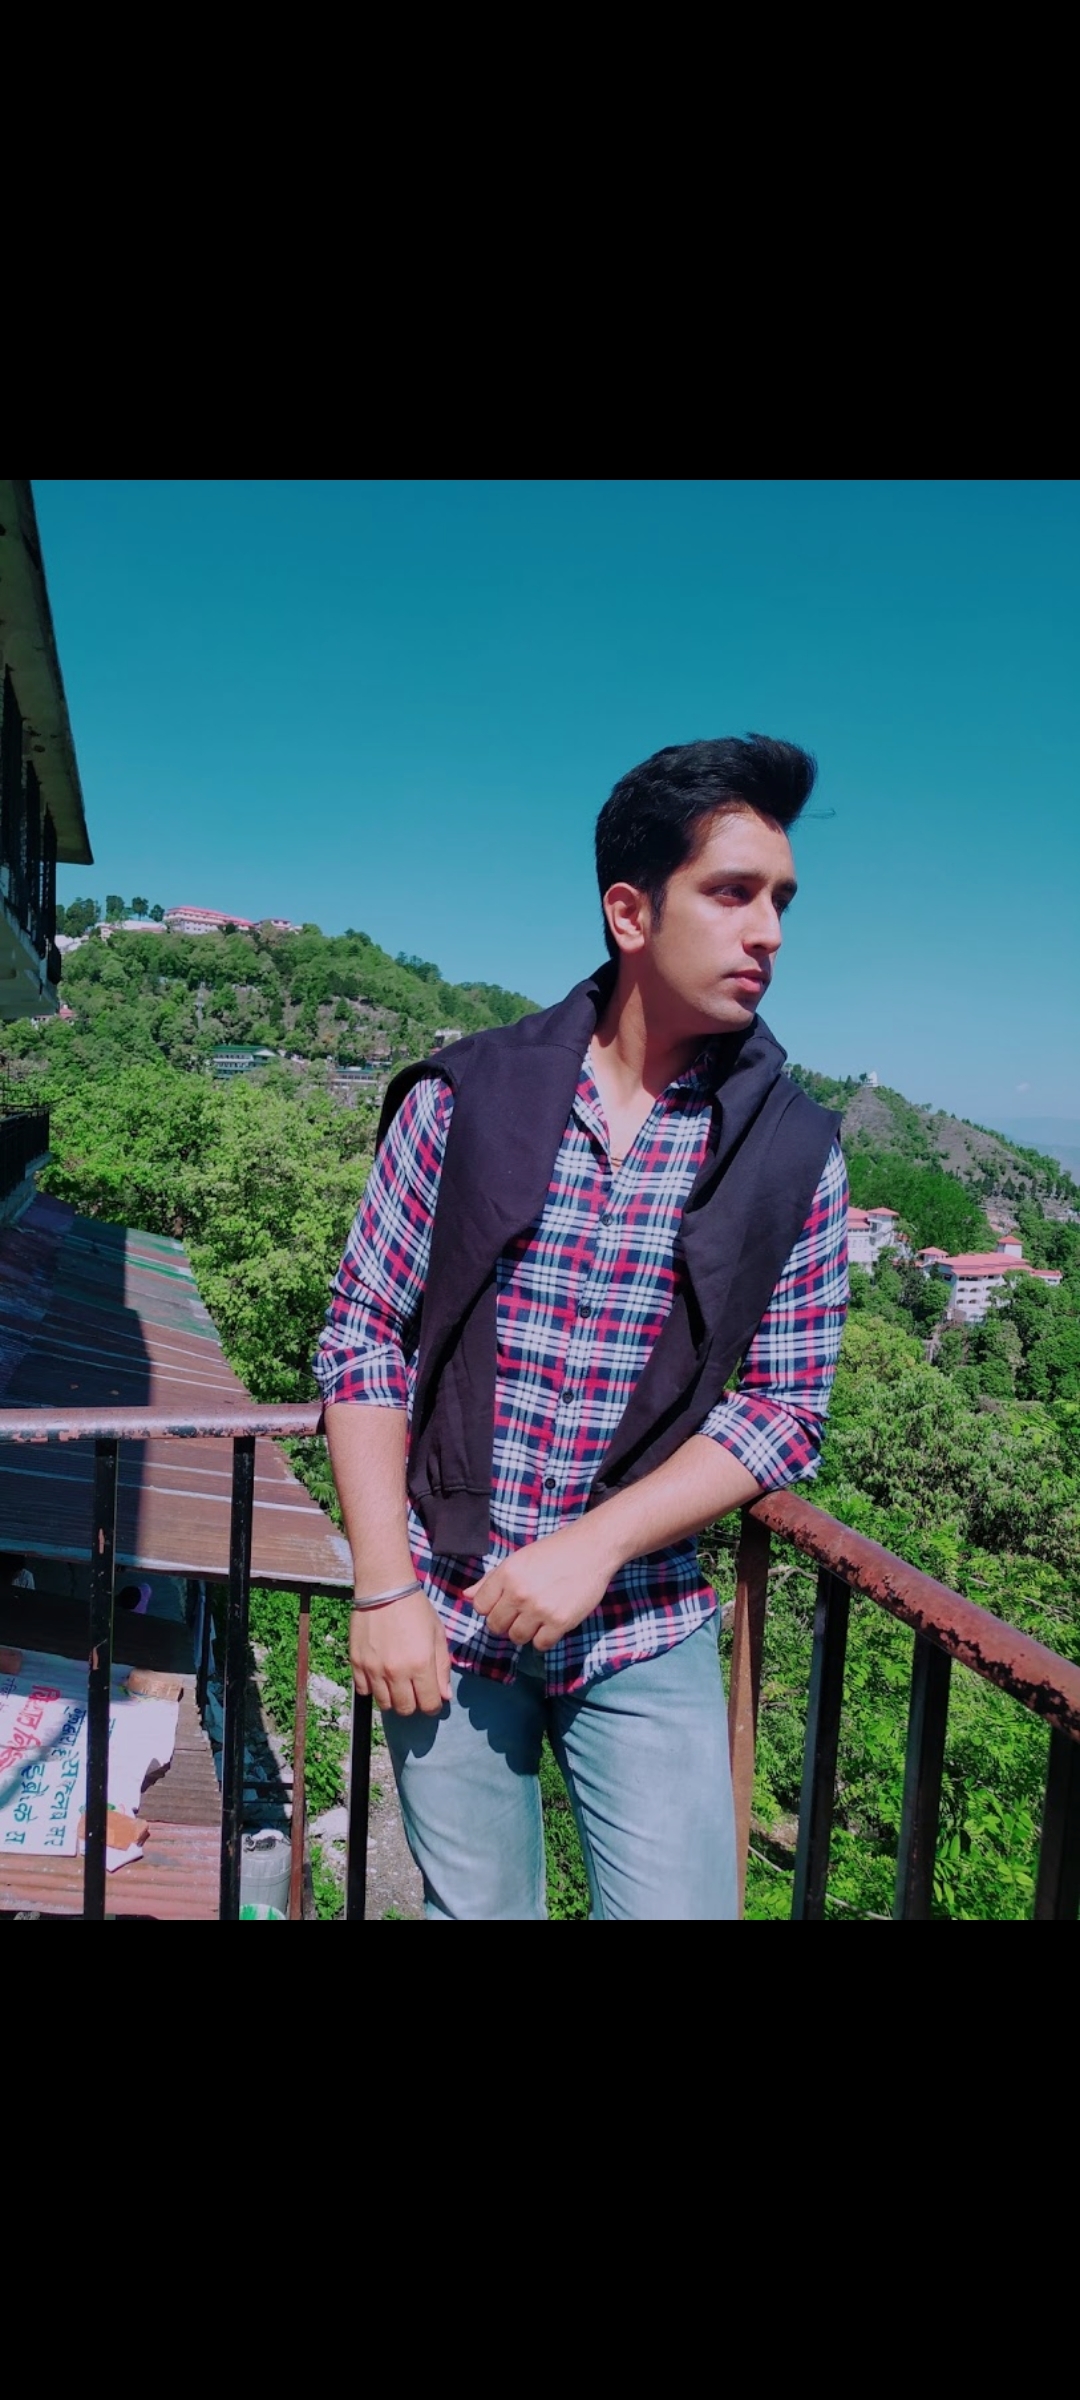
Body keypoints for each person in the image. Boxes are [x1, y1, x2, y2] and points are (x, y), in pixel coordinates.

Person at [314, 736, 848, 1919]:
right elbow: (364, 1334)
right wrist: (384, 1588)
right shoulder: (466, 1096)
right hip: (443, 1608)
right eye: (733, 892)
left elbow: (784, 1407)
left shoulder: (792, 1153)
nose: (769, 931)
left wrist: (594, 1544)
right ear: (630, 911)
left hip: (642, 1620)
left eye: (782, 901)